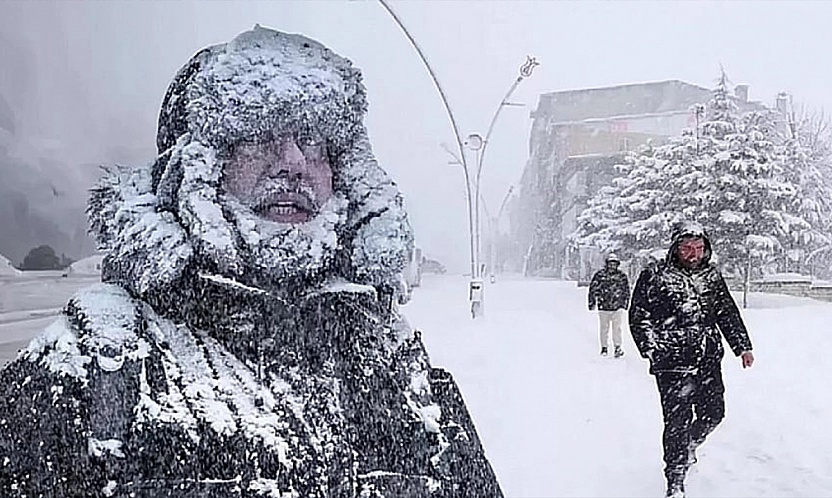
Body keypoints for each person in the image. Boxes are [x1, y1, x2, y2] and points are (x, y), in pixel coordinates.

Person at [0, 26, 503, 497]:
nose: (293, 162)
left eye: (313, 140)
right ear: (195, 167)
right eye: (258, 135)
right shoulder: (91, 369)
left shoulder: (391, 360)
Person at [628, 221, 754, 498]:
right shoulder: (655, 274)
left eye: (698, 248)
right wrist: (651, 347)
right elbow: (639, 315)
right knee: (677, 422)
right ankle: (675, 479)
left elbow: (727, 313)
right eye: (687, 248)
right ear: (675, 248)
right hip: (672, 363)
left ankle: (689, 445)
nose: (693, 253)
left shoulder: (711, 276)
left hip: (708, 360)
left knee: (714, 414)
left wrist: (742, 346)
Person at [588, 253, 630, 358]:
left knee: (617, 328)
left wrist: (625, 303)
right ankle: (604, 347)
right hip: (604, 306)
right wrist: (591, 302)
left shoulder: (621, 276)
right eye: (610, 264)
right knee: (604, 328)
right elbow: (593, 289)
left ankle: (617, 347)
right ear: (607, 264)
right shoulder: (600, 275)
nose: (612, 266)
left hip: (617, 306)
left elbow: (626, 290)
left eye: (614, 264)